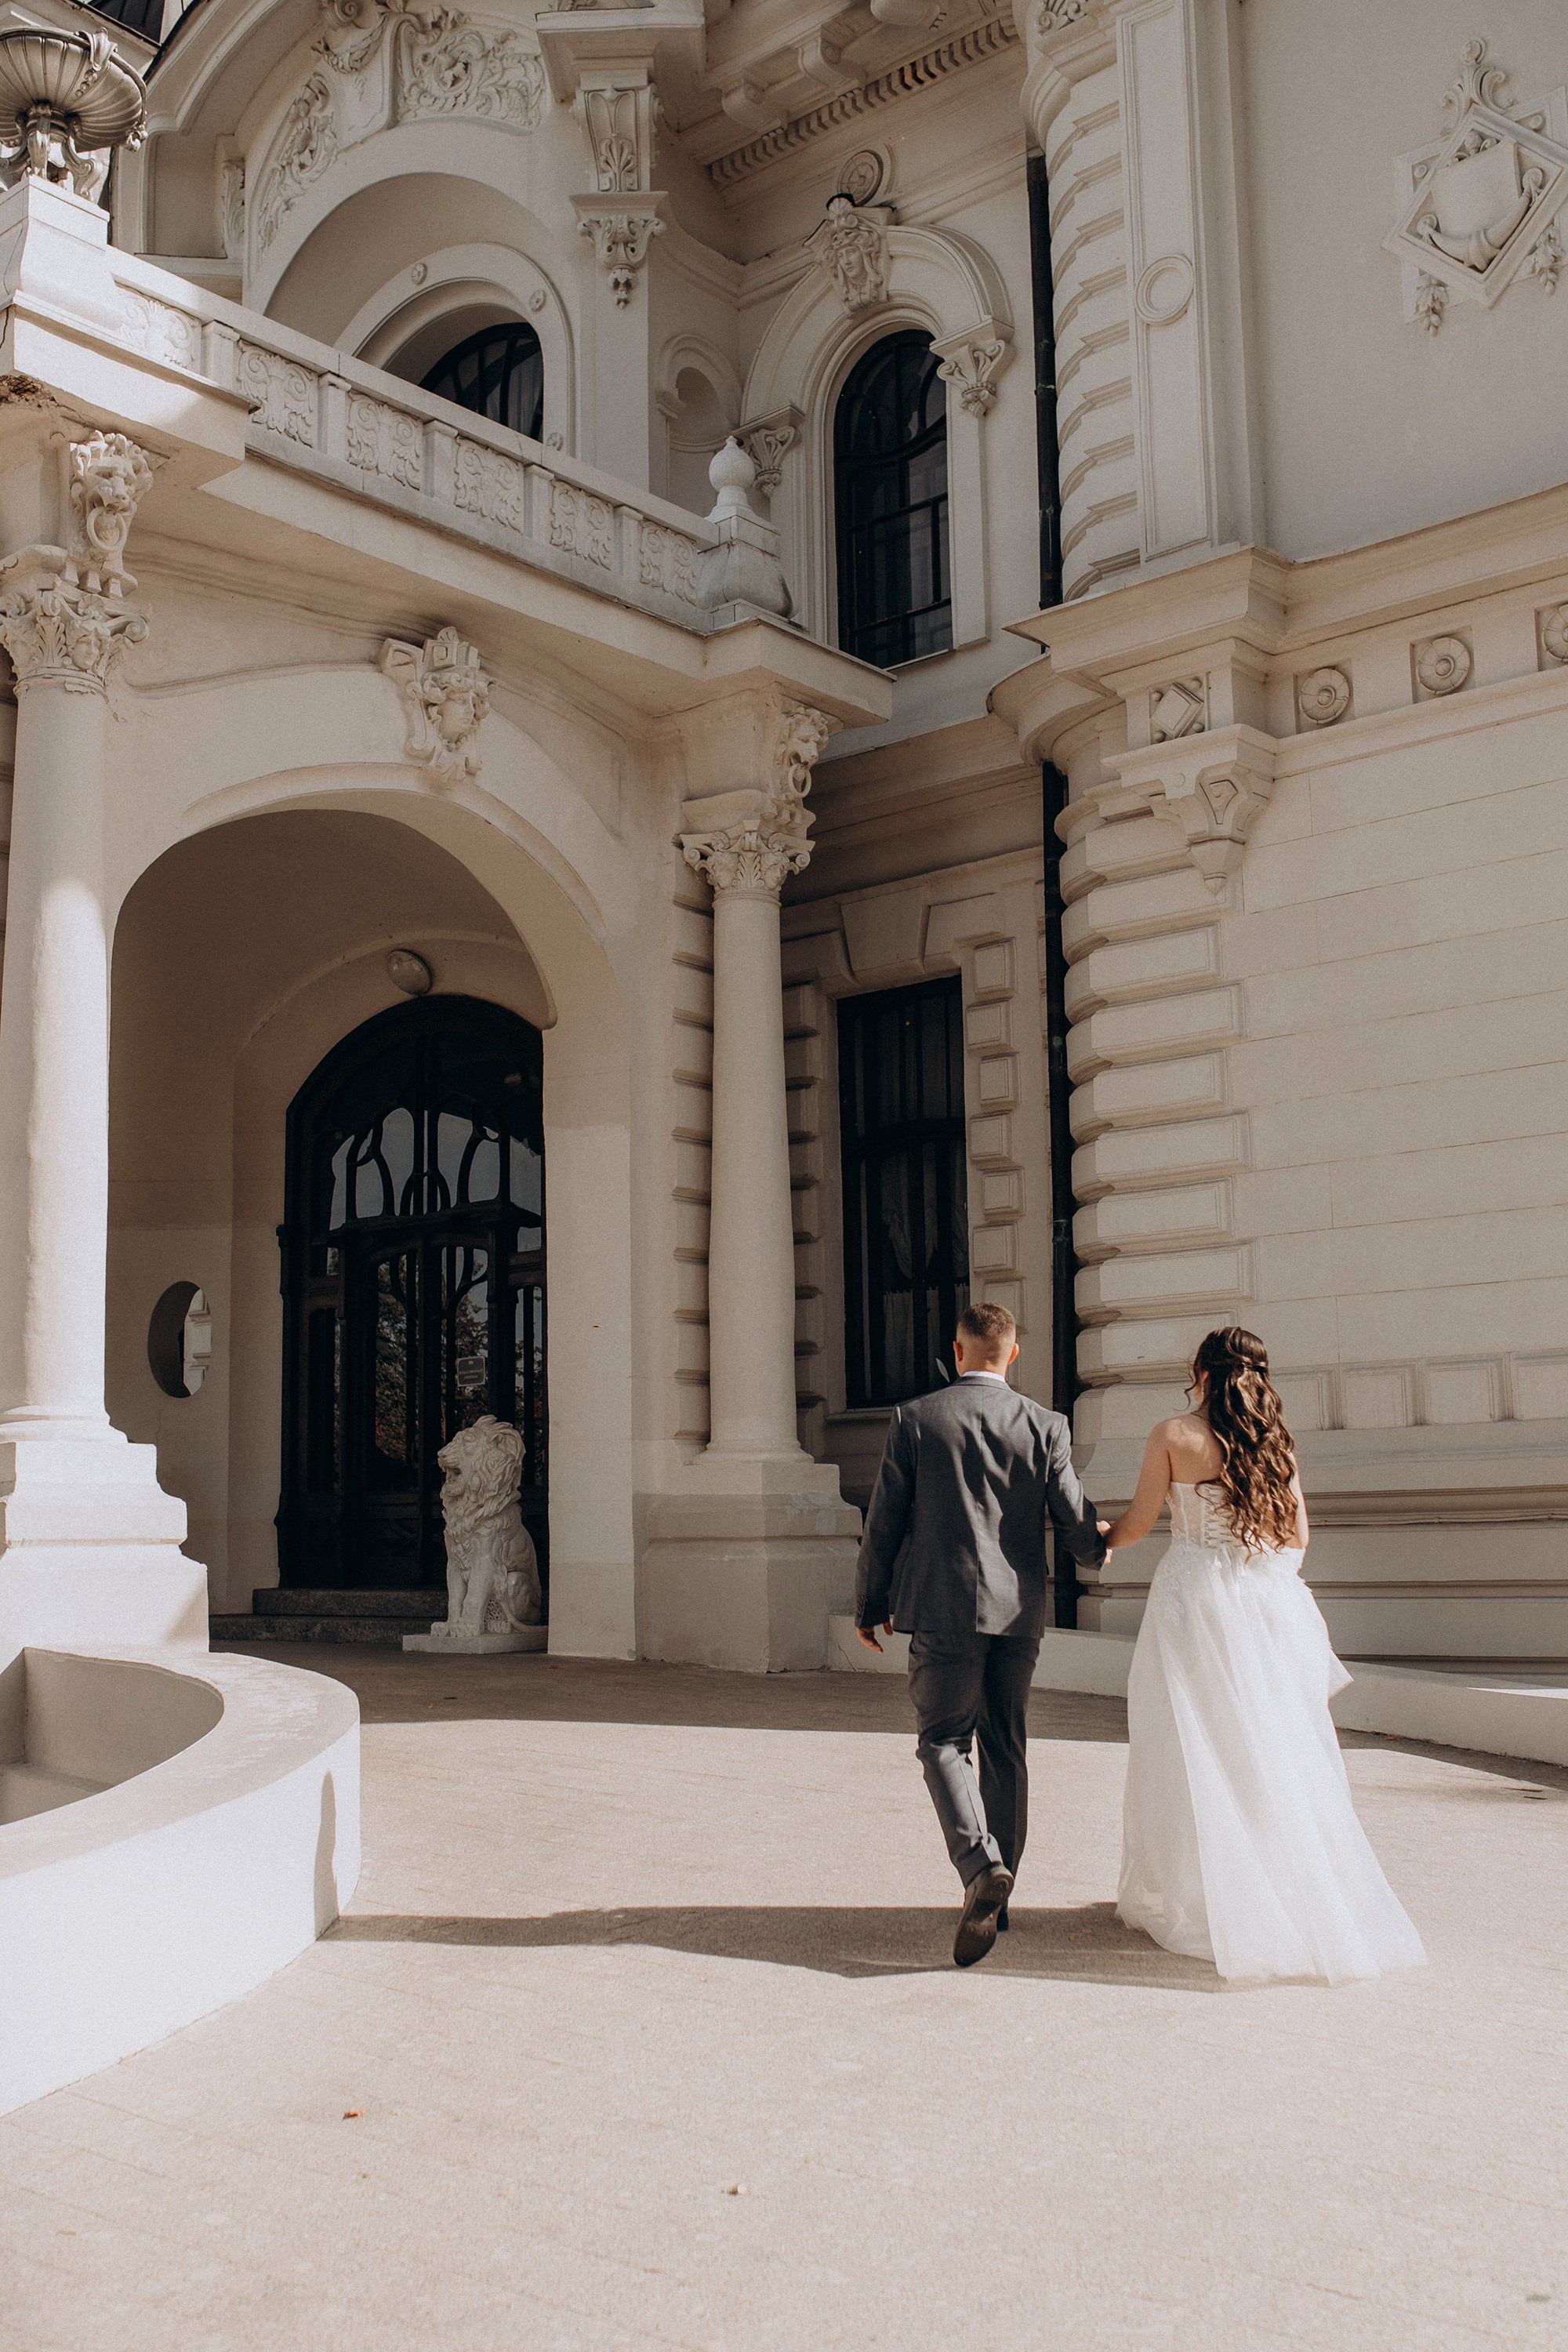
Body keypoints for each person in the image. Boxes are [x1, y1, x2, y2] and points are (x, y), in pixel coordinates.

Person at [1106, 1325, 1425, 1986]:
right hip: (1261, 1605)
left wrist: (1096, 1535)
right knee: (1268, 1749)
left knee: (1192, 1746)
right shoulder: (1273, 1442)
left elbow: (1137, 1526)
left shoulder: (1173, 1435)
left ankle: (1211, 1897)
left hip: (1194, 1603)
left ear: (1199, 1371)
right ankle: (1285, 1892)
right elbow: (1296, 1536)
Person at [855, 1301, 1109, 1967]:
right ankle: (1005, 1893)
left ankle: (978, 1866)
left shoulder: (917, 1418)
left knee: (943, 1741)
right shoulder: (1046, 1425)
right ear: (1014, 1353)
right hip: (1018, 1612)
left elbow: (885, 1521)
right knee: (1006, 1746)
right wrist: (1097, 1548)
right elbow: (1072, 1514)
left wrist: (869, 1602)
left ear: (958, 1351)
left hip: (942, 1608)